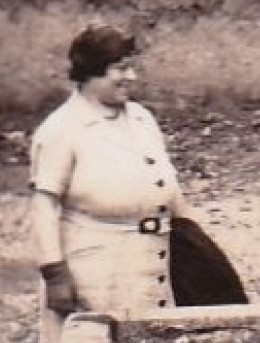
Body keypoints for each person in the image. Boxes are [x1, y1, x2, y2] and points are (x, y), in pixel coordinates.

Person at [29, 24, 190, 321]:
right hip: (99, 266)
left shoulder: (141, 118)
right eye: (121, 69)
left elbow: (165, 184)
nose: (131, 77)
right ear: (91, 72)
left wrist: (194, 243)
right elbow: (44, 206)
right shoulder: (62, 128)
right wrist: (54, 273)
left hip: (153, 258)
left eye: (132, 68)